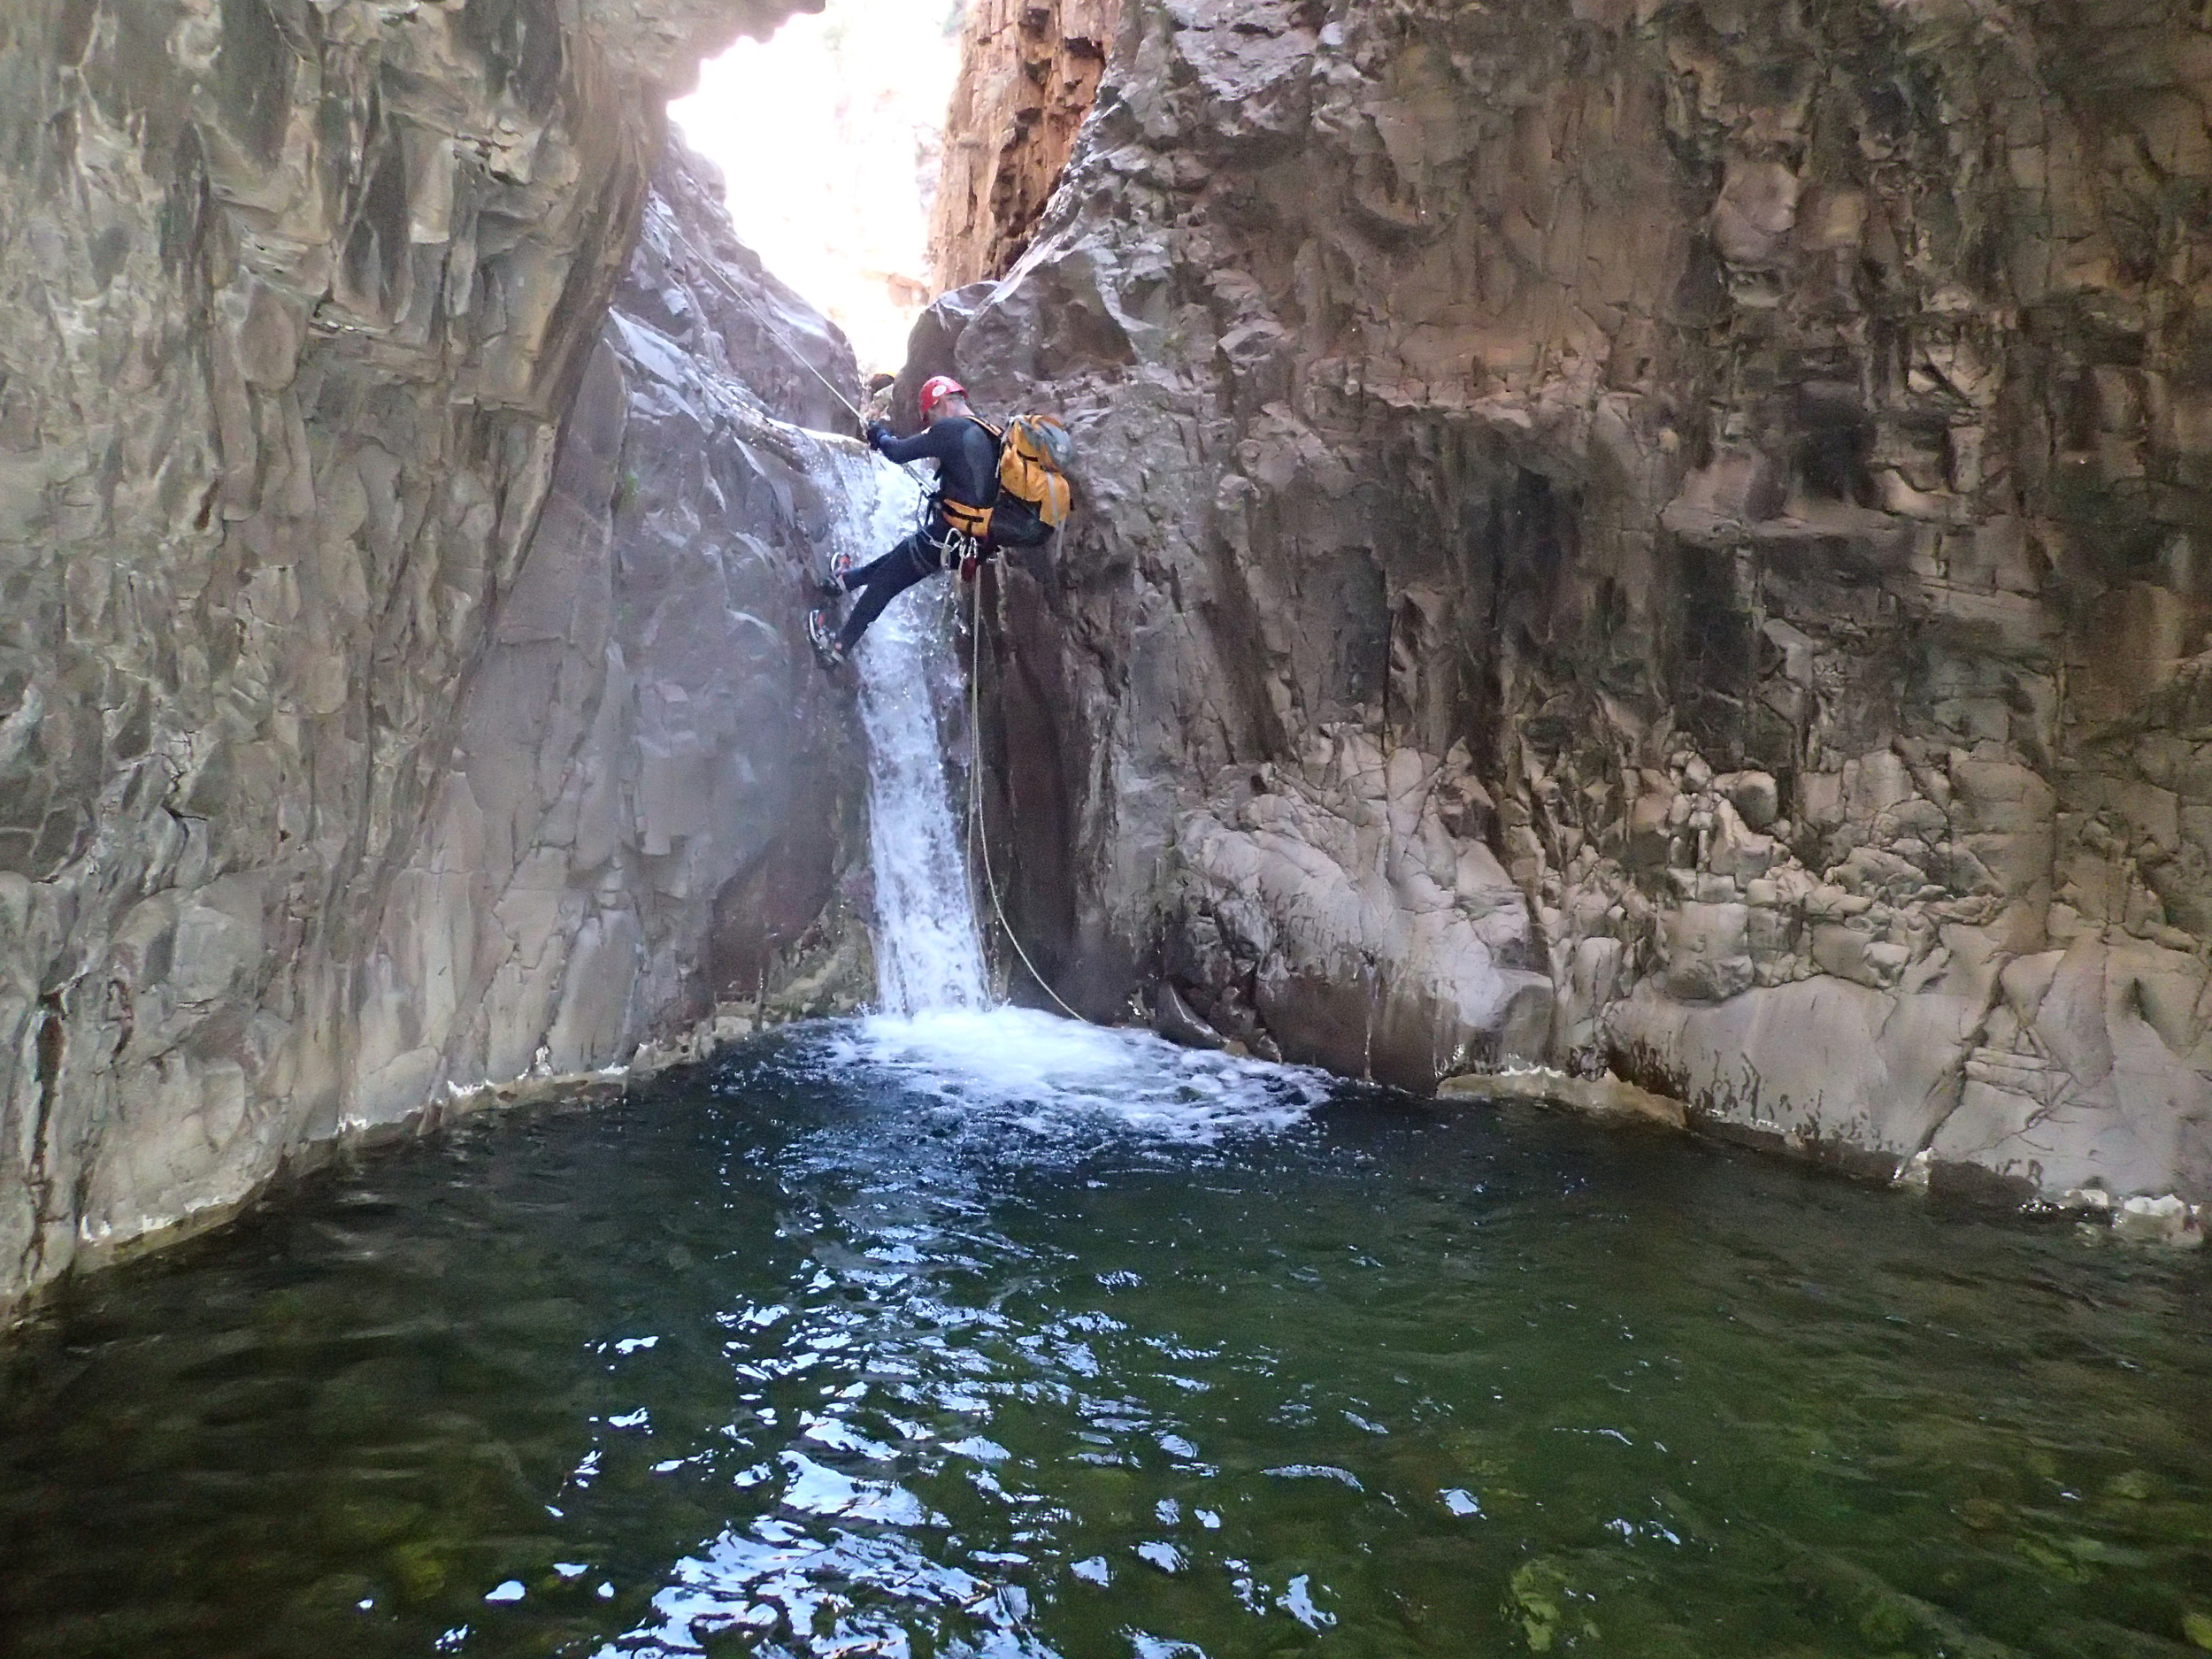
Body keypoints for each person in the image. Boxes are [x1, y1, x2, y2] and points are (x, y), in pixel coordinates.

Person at [809, 374, 998, 667]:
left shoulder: (950, 429)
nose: (930, 424)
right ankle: (846, 581)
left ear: (941, 404)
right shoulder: (989, 432)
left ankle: (836, 649)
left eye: (929, 416)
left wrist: (879, 434)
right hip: (971, 543)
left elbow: (897, 452)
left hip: (948, 538)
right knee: (899, 558)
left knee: (886, 582)